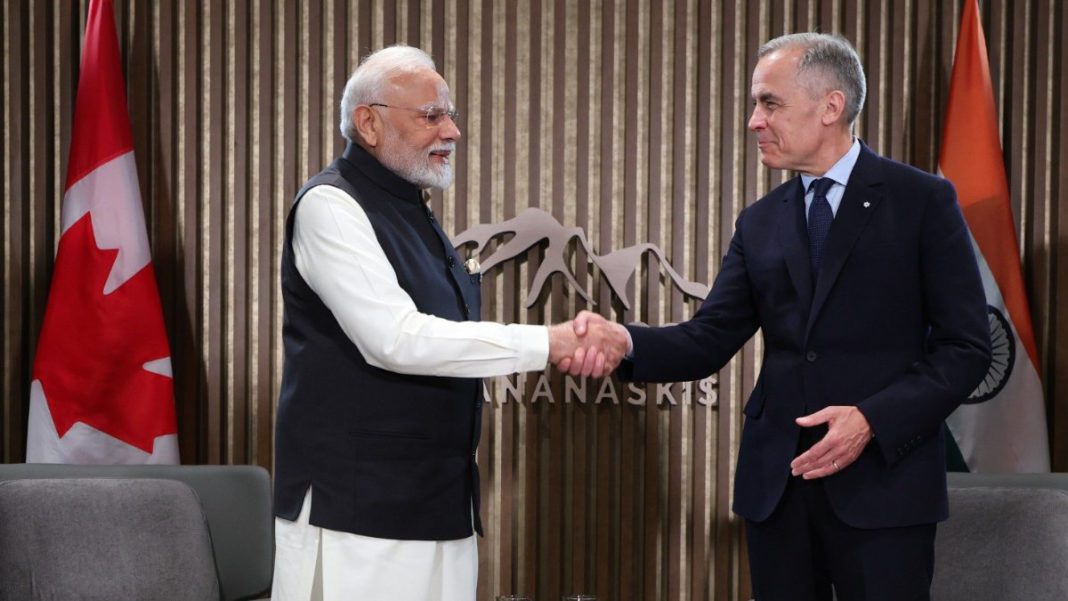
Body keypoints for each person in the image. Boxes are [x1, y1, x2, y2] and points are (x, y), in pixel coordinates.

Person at [569, 33, 991, 600]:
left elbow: (966, 348)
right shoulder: (760, 220)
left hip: (885, 489)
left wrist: (871, 419)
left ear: (831, 106)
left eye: (769, 103)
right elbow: (708, 337)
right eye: (755, 104)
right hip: (779, 489)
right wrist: (626, 342)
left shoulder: (922, 201)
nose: (754, 122)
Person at [272, 45, 617, 601]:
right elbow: (395, 339)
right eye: (431, 115)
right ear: (369, 123)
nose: (452, 131)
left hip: (439, 508)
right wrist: (547, 343)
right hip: (357, 517)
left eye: (449, 115)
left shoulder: (413, 211)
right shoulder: (331, 206)